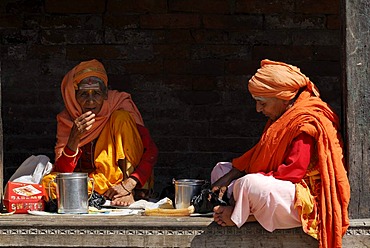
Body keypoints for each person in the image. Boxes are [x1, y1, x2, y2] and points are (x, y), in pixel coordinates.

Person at [211, 59, 350, 248]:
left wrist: (244, 184)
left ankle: (242, 215)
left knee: (249, 184)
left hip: (305, 200)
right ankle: (243, 208)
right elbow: (260, 152)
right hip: (282, 188)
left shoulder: (306, 122)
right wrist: (231, 174)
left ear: (283, 98)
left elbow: (291, 173)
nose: (258, 109)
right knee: (220, 170)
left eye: (262, 103)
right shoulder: (284, 114)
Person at [42, 59, 158, 206]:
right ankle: (103, 195)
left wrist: (128, 185)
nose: (90, 102)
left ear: (105, 94)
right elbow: (63, 171)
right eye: (83, 94)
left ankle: (130, 194)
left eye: (96, 93)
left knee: (121, 117)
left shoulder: (120, 103)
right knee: (48, 184)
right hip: (97, 181)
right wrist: (74, 138)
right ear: (74, 96)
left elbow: (151, 150)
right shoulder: (67, 119)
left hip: (124, 181)